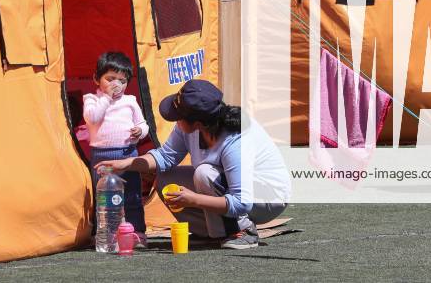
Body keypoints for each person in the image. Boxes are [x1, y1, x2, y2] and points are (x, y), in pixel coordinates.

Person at [96, 79, 291, 250]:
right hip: (229, 187)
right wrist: (127, 163)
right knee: (166, 178)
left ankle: (243, 232)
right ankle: (213, 231)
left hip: (267, 198)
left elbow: (242, 201)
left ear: (197, 122)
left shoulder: (234, 139)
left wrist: (194, 199)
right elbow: (165, 158)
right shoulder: (193, 126)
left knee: (204, 174)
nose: (175, 119)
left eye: (178, 116)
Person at [84, 51, 149, 246]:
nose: (116, 85)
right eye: (110, 79)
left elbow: (143, 123)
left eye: (122, 80)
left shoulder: (130, 101)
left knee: (132, 195)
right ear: (96, 79)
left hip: (127, 154)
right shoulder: (92, 99)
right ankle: (107, 234)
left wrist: (141, 131)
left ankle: (137, 231)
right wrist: (106, 98)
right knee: (105, 196)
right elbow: (93, 118)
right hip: (102, 156)